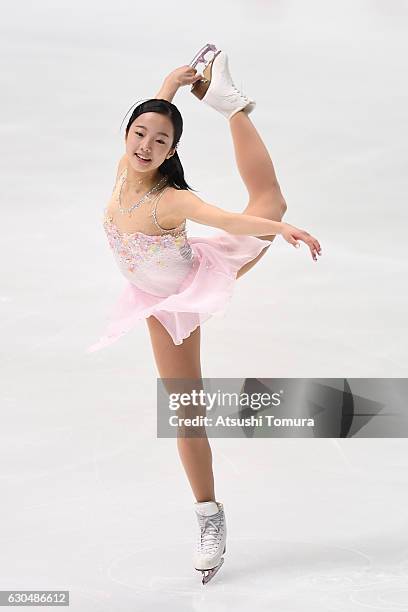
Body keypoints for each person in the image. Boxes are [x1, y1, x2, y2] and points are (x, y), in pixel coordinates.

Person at [86, 44, 322, 583]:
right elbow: (150, 114)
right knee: (184, 414)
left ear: (172, 153)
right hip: (149, 293)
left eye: (159, 140)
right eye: (139, 134)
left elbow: (225, 219)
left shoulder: (173, 199)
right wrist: (167, 88)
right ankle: (226, 99)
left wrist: (279, 232)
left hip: (185, 293)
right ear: (127, 135)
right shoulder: (127, 168)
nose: (146, 146)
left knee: (269, 204)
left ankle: (209, 517)